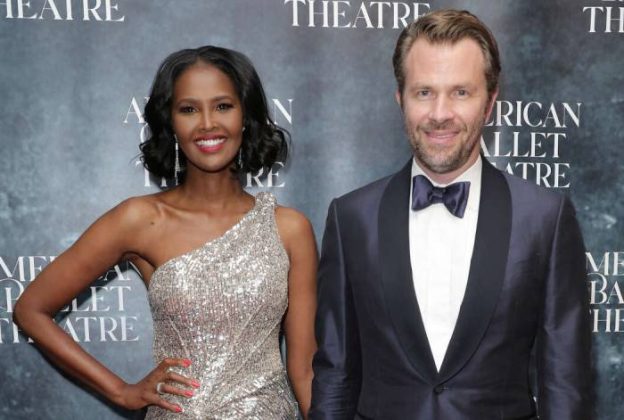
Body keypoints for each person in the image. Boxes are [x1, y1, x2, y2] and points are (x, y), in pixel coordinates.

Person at [310, 9, 591, 420]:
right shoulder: (351, 218)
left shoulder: (545, 218)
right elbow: (336, 376)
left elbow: (564, 384)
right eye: (424, 92)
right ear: (400, 99)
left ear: (490, 102)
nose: (440, 113)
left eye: (461, 92)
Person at [14, 46, 318, 419]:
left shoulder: (289, 229)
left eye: (223, 106)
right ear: (170, 122)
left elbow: (305, 371)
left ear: (246, 116)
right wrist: (121, 392)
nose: (207, 123)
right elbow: (31, 310)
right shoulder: (140, 219)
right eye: (188, 109)